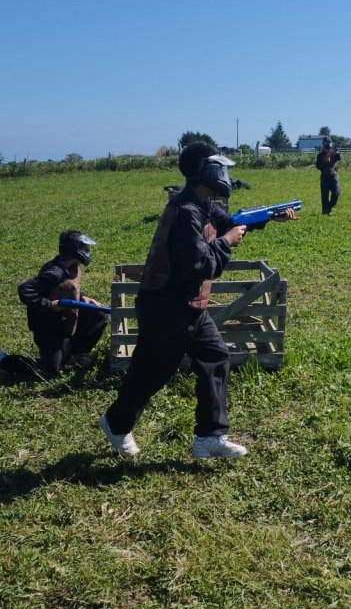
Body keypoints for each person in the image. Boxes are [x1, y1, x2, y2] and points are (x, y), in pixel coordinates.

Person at [99, 141, 295, 460]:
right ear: (207, 171)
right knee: (151, 373)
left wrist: (271, 217)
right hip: (165, 307)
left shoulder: (201, 202)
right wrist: (226, 242)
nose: (225, 174)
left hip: (187, 305)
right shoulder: (186, 211)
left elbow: (230, 221)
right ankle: (116, 424)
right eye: (219, 166)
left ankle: (209, 437)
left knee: (215, 356)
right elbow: (200, 264)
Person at [1, 231, 108, 379]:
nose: (87, 251)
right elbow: (25, 289)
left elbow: (62, 289)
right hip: (48, 325)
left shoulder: (70, 266)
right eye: (84, 247)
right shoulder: (55, 272)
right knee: (49, 371)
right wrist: (49, 305)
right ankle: (4, 359)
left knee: (98, 313)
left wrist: (83, 297)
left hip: (63, 317)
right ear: (74, 249)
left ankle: (73, 356)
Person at [315, 137, 341, 215]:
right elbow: (318, 166)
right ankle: (326, 211)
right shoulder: (320, 155)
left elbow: (338, 158)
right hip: (324, 176)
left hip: (334, 176)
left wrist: (336, 151)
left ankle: (328, 207)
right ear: (323, 143)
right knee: (325, 195)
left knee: (336, 193)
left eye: (329, 142)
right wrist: (325, 162)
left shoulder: (333, 153)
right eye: (326, 142)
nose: (328, 144)